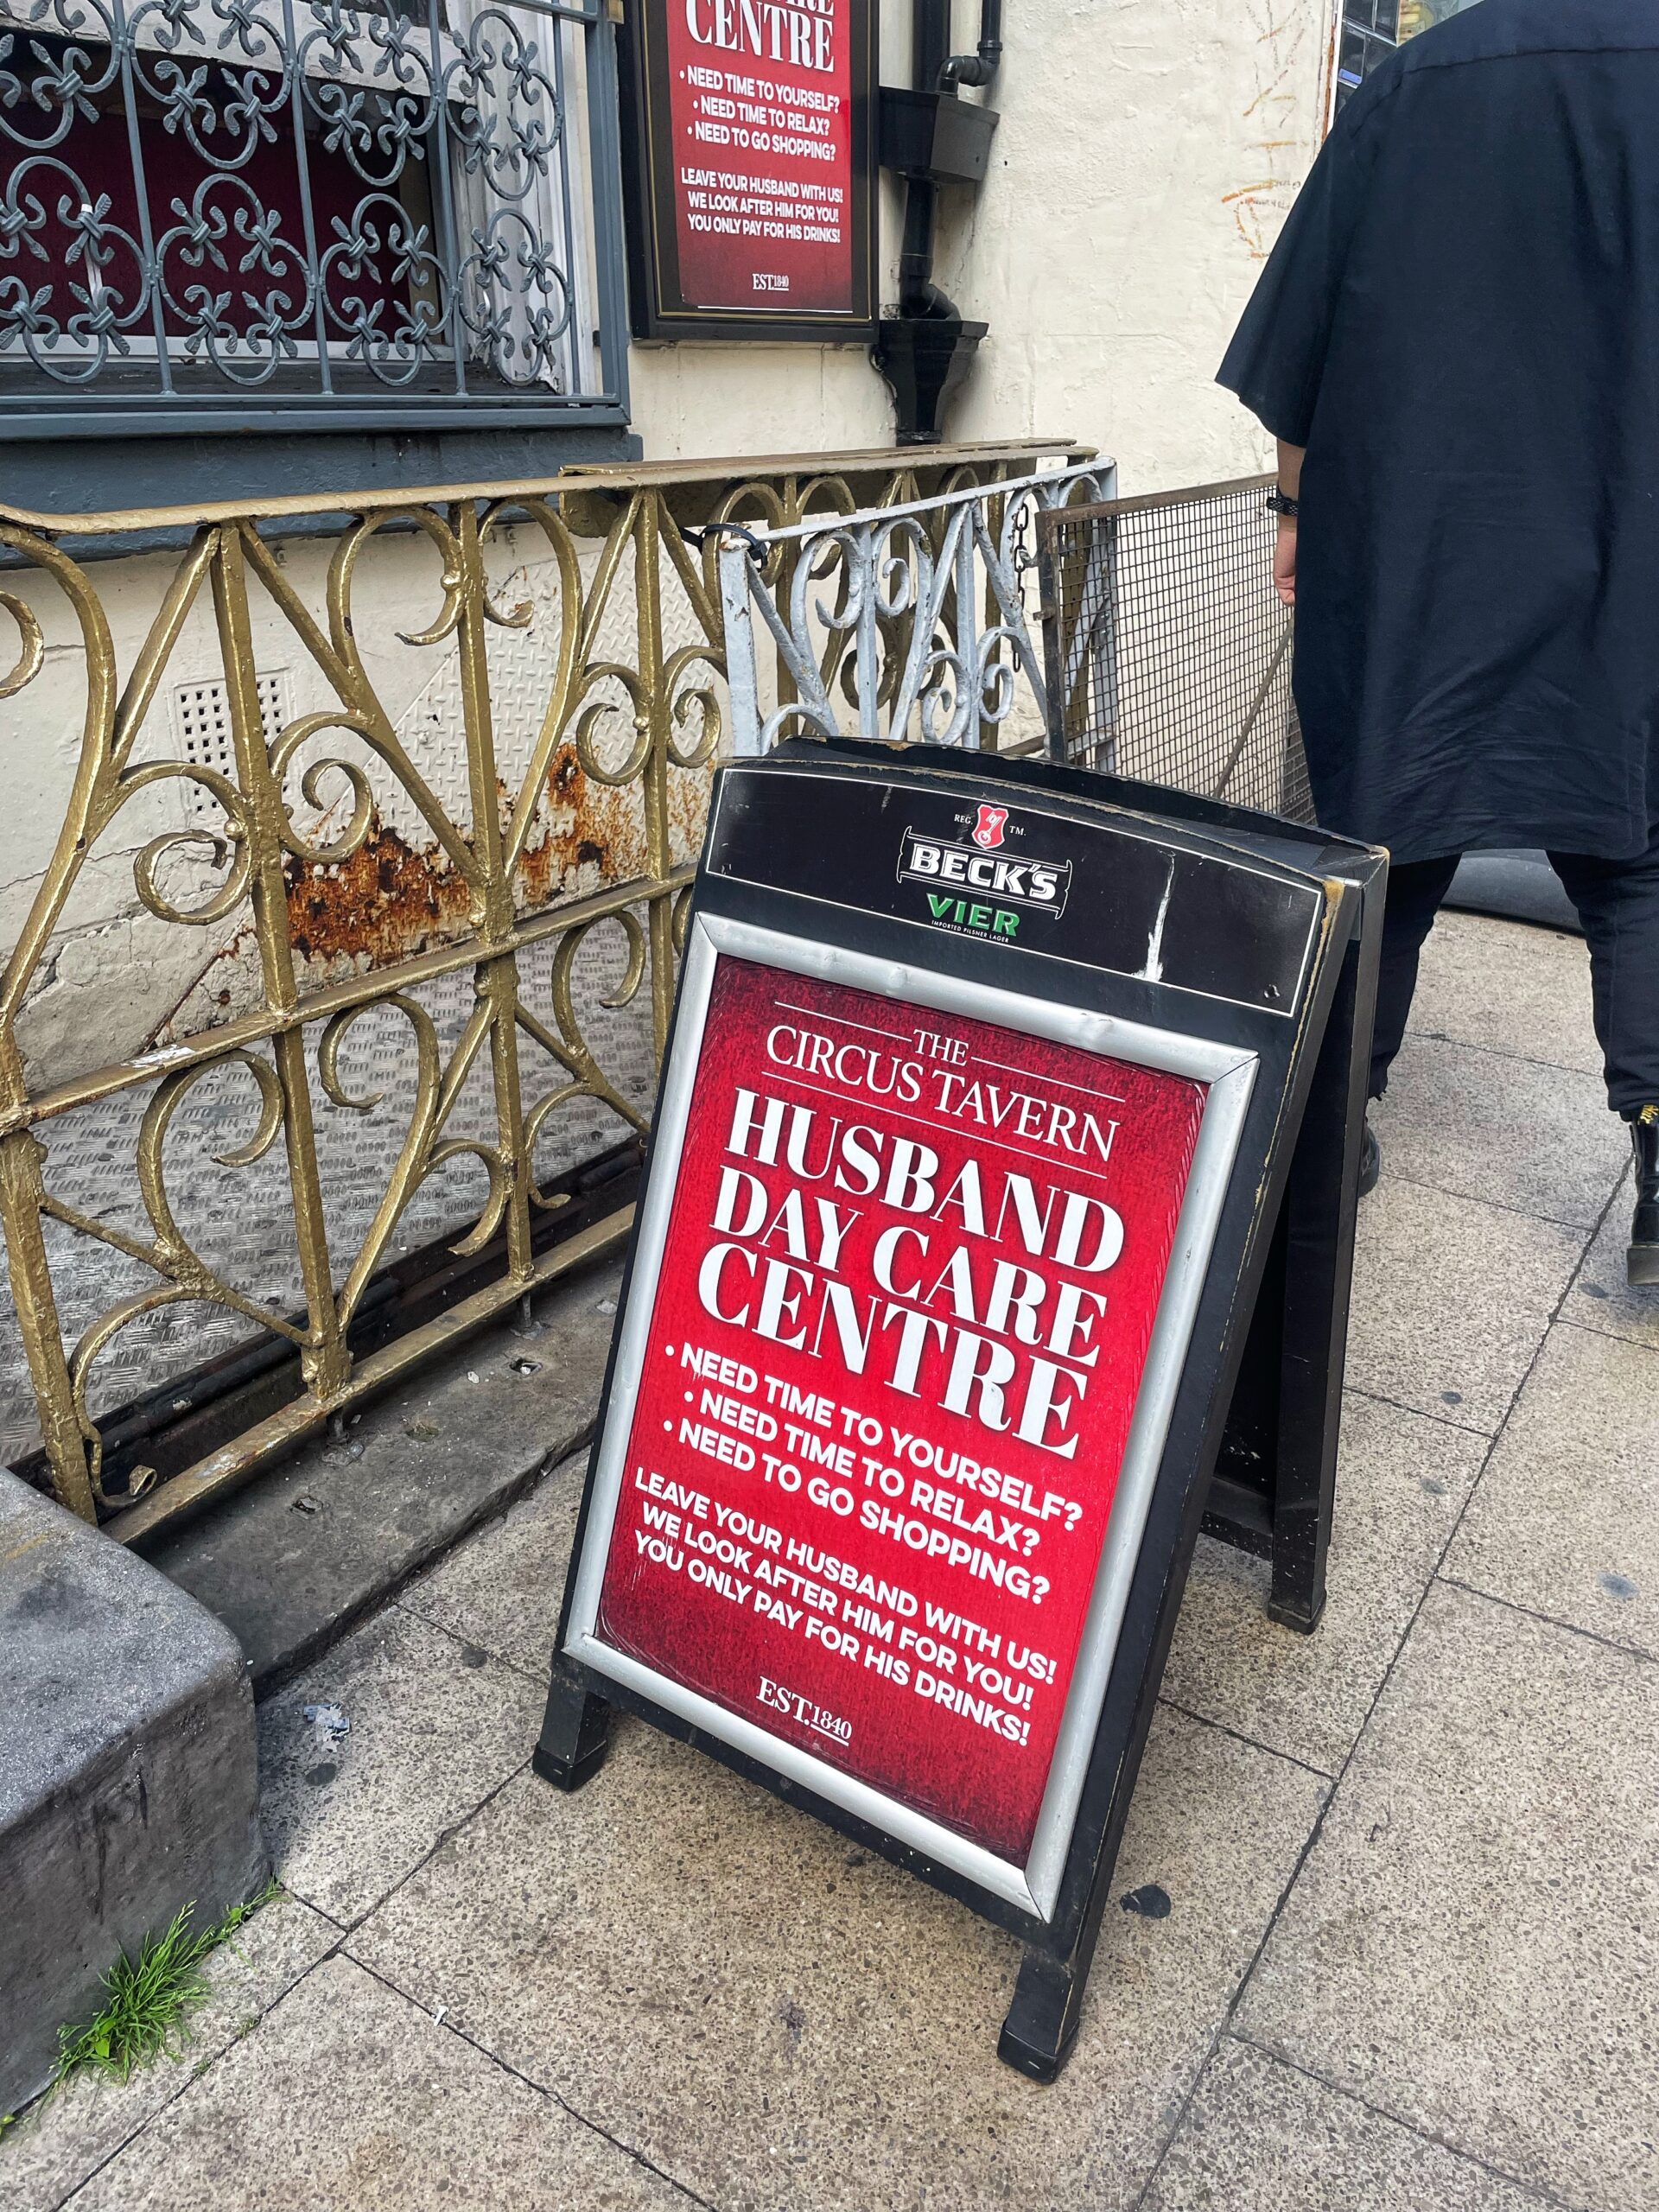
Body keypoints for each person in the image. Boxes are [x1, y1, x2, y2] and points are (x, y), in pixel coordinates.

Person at [1217, 0, 1659, 1286]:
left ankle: (1333, 1130)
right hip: (1632, 553)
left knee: (1386, 835)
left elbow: (1300, 352)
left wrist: (1296, 511)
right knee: (1637, 855)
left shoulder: (1412, 84)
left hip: (1423, 552)